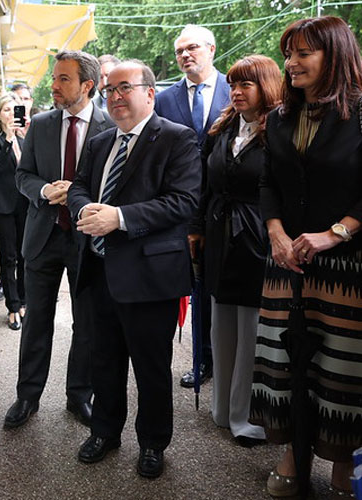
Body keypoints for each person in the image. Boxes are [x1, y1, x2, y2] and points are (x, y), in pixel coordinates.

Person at [68, 60, 200, 478]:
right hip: (100, 270)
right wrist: (85, 208)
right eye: (109, 90)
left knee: (151, 367)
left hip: (149, 277)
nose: (116, 97)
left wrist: (119, 218)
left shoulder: (178, 139)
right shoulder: (100, 142)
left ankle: (152, 443)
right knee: (103, 361)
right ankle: (106, 432)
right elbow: (79, 187)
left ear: (150, 92)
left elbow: (183, 201)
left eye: (125, 88)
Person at [250, 16, 362, 498]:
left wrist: (334, 234)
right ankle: (293, 451)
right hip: (286, 263)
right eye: (288, 54)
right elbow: (268, 182)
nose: (290, 64)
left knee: (340, 368)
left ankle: (341, 460)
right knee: (284, 365)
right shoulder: (279, 117)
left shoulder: (360, 113)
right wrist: (275, 232)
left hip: (346, 267)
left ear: (333, 55)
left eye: (302, 54)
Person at [5, 50, 114, 430]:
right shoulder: (40, 123)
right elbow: (23, 176)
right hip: (42, 236)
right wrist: (45, 189)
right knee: (37, 320)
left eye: (63, 79)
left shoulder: (109, 125)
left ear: (87, 85)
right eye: (54, 78)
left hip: (86, 239)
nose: (53, 85)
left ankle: (78, 396)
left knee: (86, 323)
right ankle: (27, 396)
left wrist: (83, 197)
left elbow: (115, 184)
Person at [189, 55, 281, 448]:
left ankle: (246, 415)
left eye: (247, 85)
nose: (237, 92)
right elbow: (204, 184)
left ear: (268, 86)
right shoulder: (223, 127)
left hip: (257, 238)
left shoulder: (281, 128)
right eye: (233, 84)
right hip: (218, 234)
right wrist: (196, 228)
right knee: (220, 323)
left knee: (251, 330)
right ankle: (222, 408)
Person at [155, 24, 231, 389]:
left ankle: (230, 358)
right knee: (193, 286)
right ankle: (201, 359)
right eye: (180, 51)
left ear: (212, 49)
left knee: (223, 285)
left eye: (193, 48)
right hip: (181, 205)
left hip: (227, 206)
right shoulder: (166, 99)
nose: (186, 55)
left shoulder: (236, 90)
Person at [0, 93, 28, 330]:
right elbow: (1, 165)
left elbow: (29, 169)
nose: (11, 114)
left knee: (24, 255)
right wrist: (10, 138)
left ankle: (24, 301)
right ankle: (12, 307)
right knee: (8, 257)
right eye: (6, 110)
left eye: (15, 110)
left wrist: (20, 138)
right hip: (3, 206)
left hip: (25, 205)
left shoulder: (26, 139)